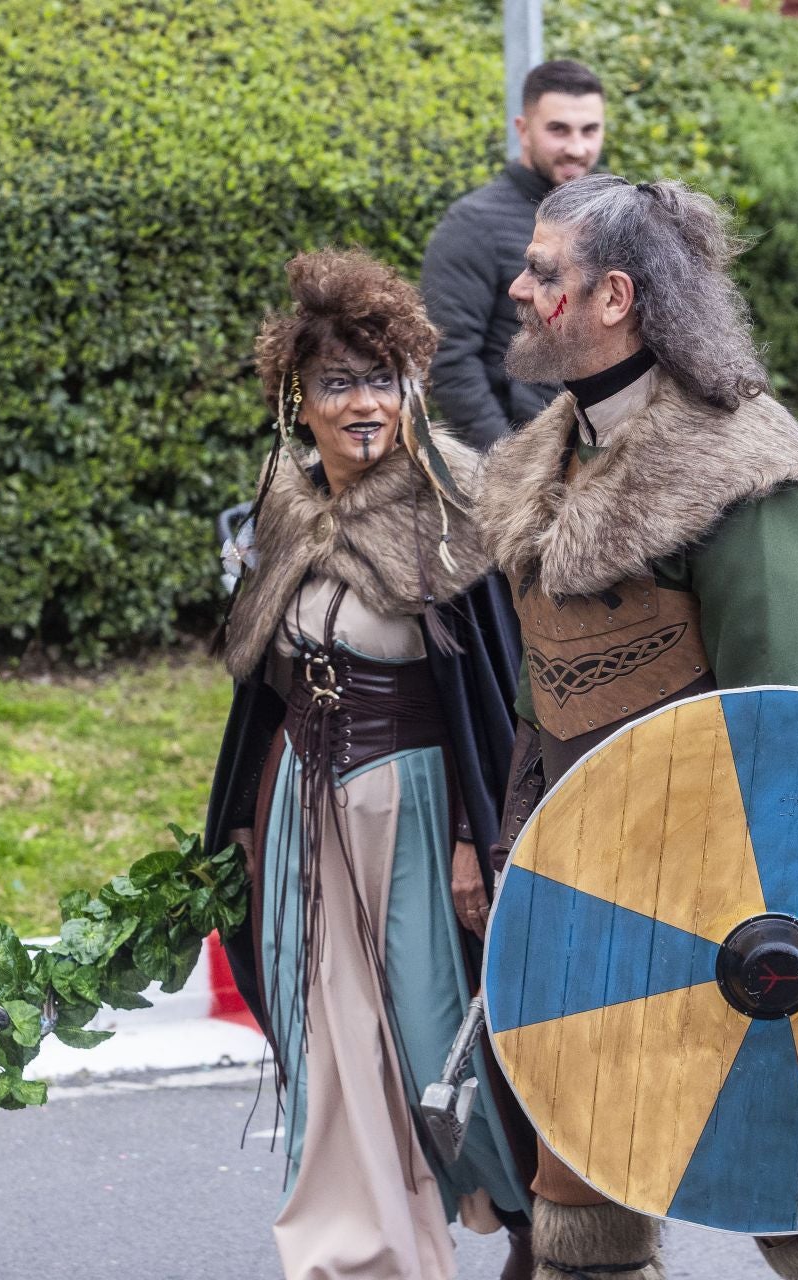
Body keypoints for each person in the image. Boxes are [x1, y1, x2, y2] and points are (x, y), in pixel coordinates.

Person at [472, 173, 798, 1280]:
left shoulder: (743, 472)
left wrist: (760, 922)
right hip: (587, 896)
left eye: (544, 271)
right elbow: (539, 703)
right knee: (582, 1191)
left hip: (725, 907)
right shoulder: (555, 457)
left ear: (616, 296)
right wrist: (509, 844)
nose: (518, 286)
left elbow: (796, 725)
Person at [203, 249, 538, 1280]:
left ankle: (540, 1218)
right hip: (308, 811)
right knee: (329, 1036)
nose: (363, 403)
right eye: (336, 383)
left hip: (419, 812)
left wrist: (481, 844)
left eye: (382, 379)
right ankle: (365, 1256)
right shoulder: (283, 513)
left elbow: (493, 702)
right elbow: (260, 691)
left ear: (412, 386)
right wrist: (248, 826)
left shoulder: (454, 512)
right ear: (293, 401)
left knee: (439, 1026)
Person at [421, 59, 605, 449]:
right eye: (558, 130)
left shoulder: (613, 216)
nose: (577, 148)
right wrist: (508, 462)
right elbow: (449, 360)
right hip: (517, 458)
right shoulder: (472, 225)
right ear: (523, 129)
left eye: (590, 130)